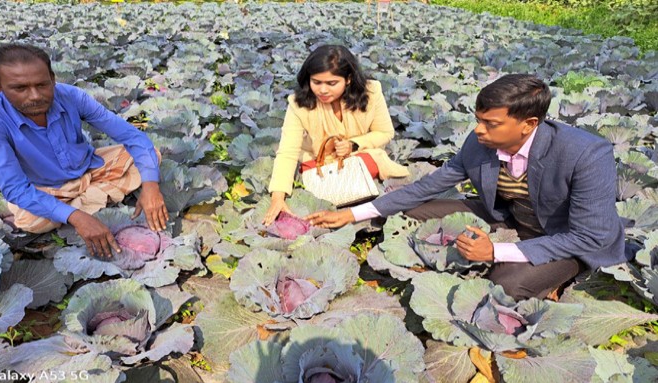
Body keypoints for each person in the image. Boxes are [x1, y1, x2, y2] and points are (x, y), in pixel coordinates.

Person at [306, 74, 626, 300]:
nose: (478, 130)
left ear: (528, 125)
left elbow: (589, 236)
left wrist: (495, 251)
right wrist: (353, 214)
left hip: (564, 238)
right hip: (510, 217)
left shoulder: (586, 153)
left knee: (504, 286)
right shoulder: (480, 141)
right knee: (415, 209)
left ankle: (562, 277)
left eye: (491, 123)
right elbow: (429, 185)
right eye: (478, 119)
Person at [0, 43, 168, 258]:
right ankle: (89, 202)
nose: (35, 96)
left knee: (151, 154)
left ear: (52, 78)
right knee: (29, 221)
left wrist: (151, 188)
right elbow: (15, 189)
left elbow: (131, 136)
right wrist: (78, 218)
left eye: (42, 85)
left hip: (88, 168)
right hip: (45, 188)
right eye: (20, 88)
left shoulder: (71, 96)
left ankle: (77, 203)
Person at [262, 44, 409, 225]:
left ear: (348, 79)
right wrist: (278, 197)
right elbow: (287, 151)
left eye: (331, 83)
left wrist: (353, 144)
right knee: (308, 185)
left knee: (370, 161)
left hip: (356, 156)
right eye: (316, 82)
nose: (323, 90)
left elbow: (385, 132)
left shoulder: (371, 92)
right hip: (319, 162)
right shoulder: (298, 103)